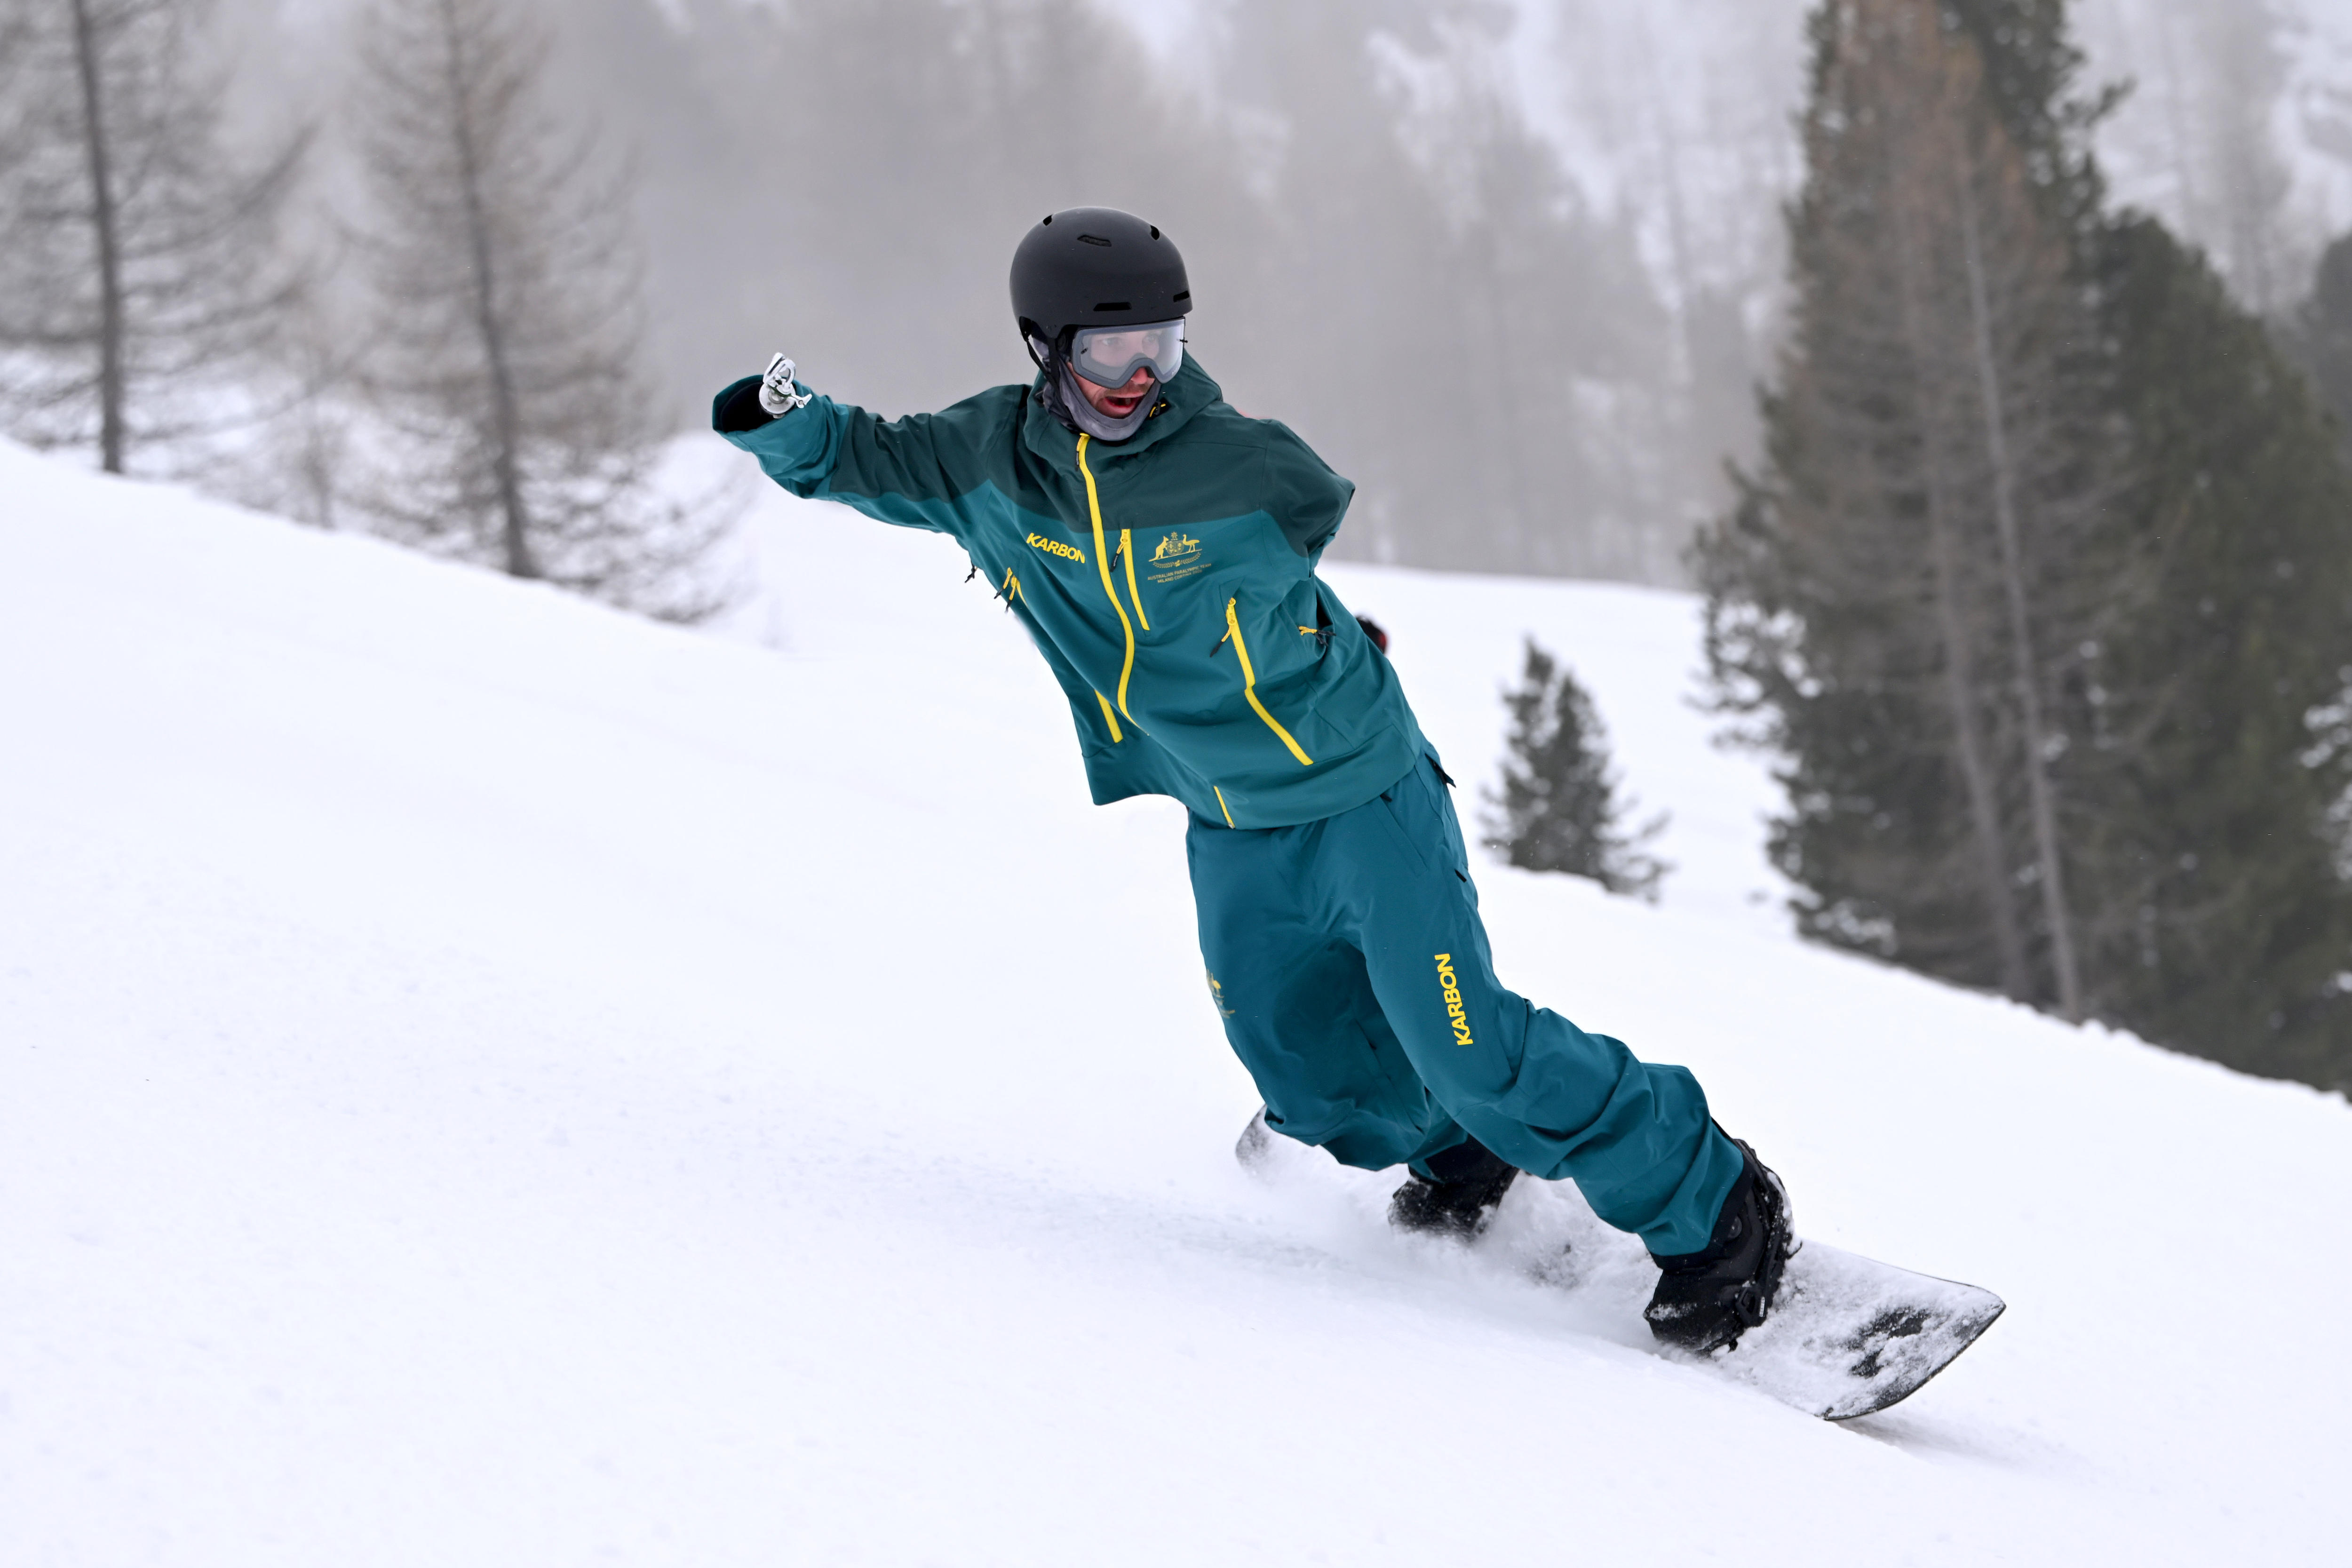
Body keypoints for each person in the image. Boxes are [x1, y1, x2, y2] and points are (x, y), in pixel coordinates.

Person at [713, 207, 1794, 1352]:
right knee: (1304, 1074)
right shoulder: (988, 464)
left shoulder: (1244, 463)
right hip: (1231, 819)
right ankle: (1458, 1150)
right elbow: (860, 456)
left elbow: (1289, 551)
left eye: (1163, 348)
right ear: (1045, 347)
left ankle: (1712, 1195)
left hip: (1362, 790)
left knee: (1468, 1042)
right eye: (1108, 353)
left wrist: (1323, 642)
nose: (1140, 378)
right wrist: (781, 419)